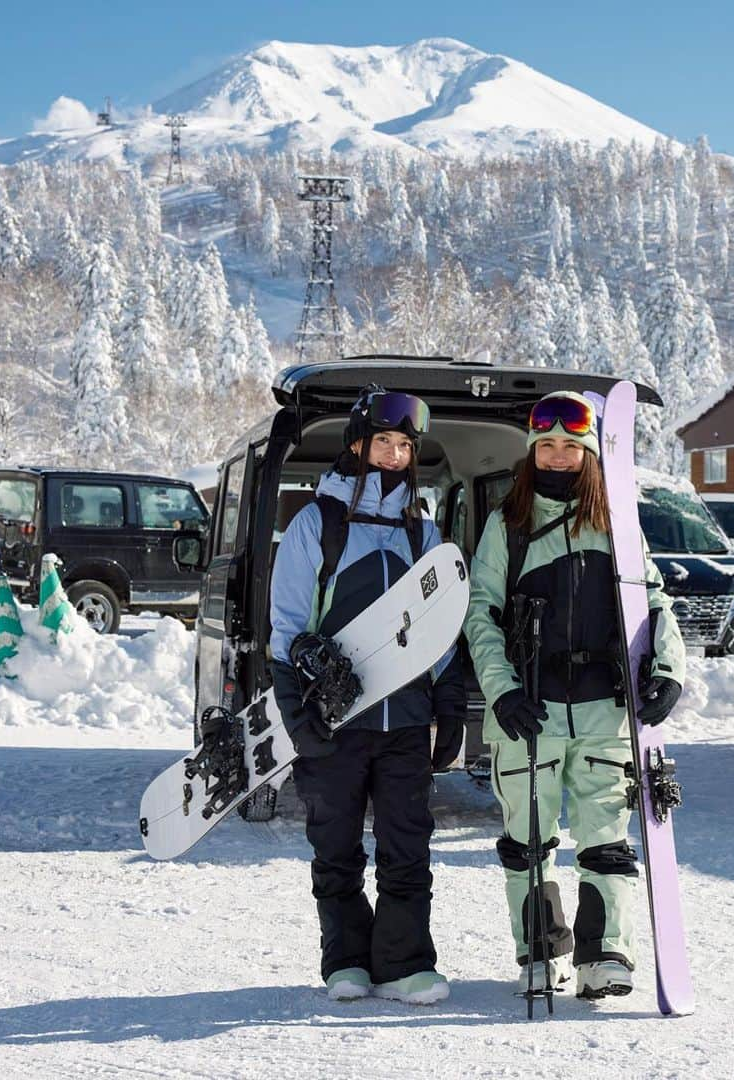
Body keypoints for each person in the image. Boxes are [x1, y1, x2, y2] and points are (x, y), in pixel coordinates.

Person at [464, 389, 686, 999]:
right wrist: (502, 692)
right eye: (547, 446)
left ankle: (604, 953)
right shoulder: (505, 525)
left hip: (602, 707)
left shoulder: (615, 522)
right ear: (532, 451)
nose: (558, 457)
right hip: (526, 709)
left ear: (590, 454)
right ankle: (540, 951)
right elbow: (479, 615)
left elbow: (654, 600)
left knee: (605, 833)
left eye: (571, 447)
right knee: (527, 840)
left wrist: (668, 667)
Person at [269, 385, 466, 1005]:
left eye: (405, 445)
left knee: (407, 845)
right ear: (358, 443)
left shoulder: (420, 533)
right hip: (335, 719)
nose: (394, 454)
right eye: (385, 440)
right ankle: (347, 961)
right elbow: (286, 626)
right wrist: (297, 713)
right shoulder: (316, 524)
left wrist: (448, 703)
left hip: (404, 718)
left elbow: (440, 631)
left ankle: (405, 964)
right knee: (336, 846)